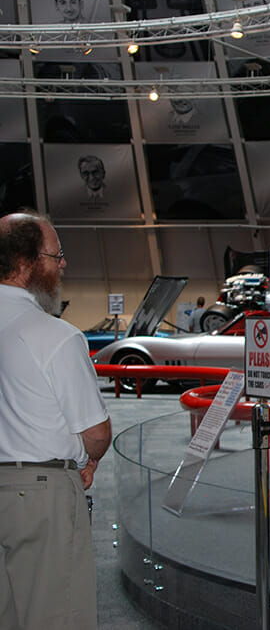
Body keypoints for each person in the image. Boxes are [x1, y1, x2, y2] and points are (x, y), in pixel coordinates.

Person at [0, 210, 111, 630]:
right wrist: (92, 459)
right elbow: (95, 433)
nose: (62, 264)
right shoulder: (56, 336)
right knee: (55, 615)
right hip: (40, 496)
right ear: (27, 262)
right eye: (56, 255)